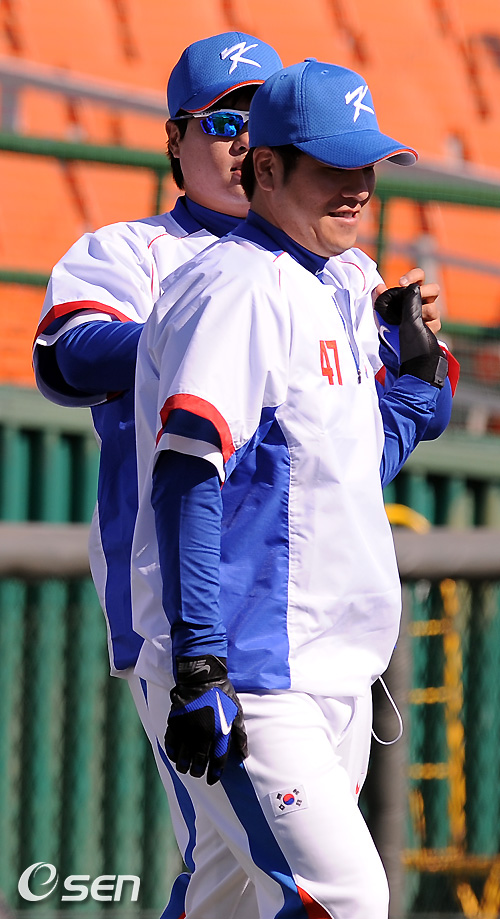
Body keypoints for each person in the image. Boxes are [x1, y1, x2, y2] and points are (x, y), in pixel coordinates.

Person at [130, 59, 453, 919]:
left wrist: (416, 387)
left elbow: (345, 470)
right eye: (332, 166)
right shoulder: (234, 286)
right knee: (347, 897)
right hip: (252, 671)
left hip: (331, 666)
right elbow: (187, 474)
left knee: (227, 905)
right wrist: (201, 663)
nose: (357, 187)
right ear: (266, 167)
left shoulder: (341, 280)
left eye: (367, 166)